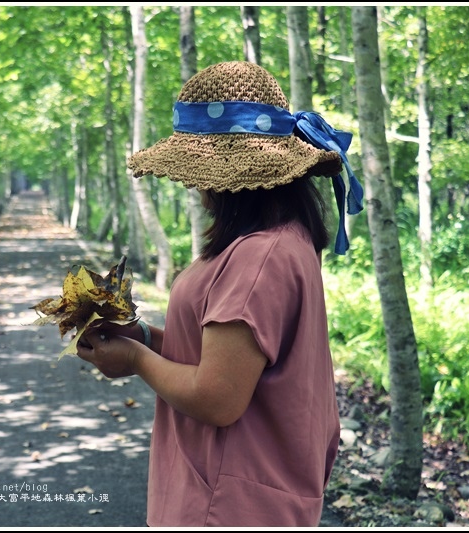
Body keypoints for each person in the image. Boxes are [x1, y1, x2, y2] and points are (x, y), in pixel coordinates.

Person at [75, 61, 364, 527]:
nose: (194, 185)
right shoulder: (283, 240)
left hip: (227, 504)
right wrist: (144, 337)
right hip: (243, 494)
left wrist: (134, 360)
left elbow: (217, 397)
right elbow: (230, 358)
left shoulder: (258, 259)